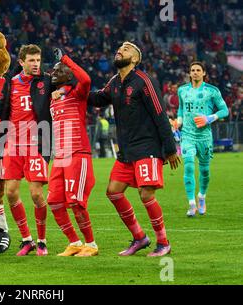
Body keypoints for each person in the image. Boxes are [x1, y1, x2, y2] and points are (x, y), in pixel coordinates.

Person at [88, 42, 181, 257]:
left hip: (148, 146)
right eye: (119, 47)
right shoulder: (114, 82)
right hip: (127, 150)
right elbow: (97, 98)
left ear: (135, 59)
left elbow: (159, 114)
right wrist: (75, 87)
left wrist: (170, 148)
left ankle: (163, 243)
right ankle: (140, 237)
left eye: (127, 49)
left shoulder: (144, 81)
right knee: (113, 192)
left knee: (146, 192)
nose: (120, 50)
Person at [0, 44, 52, 256]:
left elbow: (74, 83)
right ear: (21, 62)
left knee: (36, 194)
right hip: (12, 145)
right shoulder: (11, 83)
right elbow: (2, 107)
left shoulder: (46, 81)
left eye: (38, 60)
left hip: (36, 145)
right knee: (11, 193)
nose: (36, 64)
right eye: (31, 60)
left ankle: (42, 240)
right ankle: (27, 240)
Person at [48, 48, 99, 257]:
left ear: (68, 72)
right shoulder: (53, 97)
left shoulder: (77, 93)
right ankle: (75, 242)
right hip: (60, 156)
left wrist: (66, 60)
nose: (53, 72)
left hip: (77, 153)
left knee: (75, 203)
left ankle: (92, 244)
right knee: (54, 202)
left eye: (58, 69)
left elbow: (86, 79)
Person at [175, 61, 229, 216]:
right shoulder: (182, 90)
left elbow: (224, 110)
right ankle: (192, 203)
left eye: (198, 70)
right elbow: (181, 110)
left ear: (204, 73)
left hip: (205, 137)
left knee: (204, 171)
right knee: (189, 166)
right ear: (189, 73)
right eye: (192, 70)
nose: (195, 72)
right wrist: (178, 122)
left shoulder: (212, 91)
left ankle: (202, 196)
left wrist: (209, 118)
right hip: (188, 135)